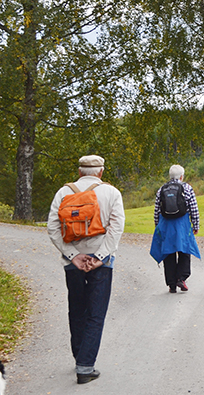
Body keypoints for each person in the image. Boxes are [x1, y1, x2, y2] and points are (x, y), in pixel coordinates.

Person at [47, 155, 125, 384]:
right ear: (100, 172)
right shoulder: (111, 193)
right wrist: (100, 256)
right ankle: (85, 366)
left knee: (77, 308)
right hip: (101, 262)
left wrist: (73, 255)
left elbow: (53, 227)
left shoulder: (63, 192)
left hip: (73, 263)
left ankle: (79, 356)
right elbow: (116, 227)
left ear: (80, 172)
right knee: (95, 313)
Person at [150, 164, 200, 293]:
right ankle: (181, 278)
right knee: (184, 250)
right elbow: (193, 208)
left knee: (168, 252)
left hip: (166, 224)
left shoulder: (161, 189)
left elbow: (157, 210)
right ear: (182, 176)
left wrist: (158, 226)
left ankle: (171, 284)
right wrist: (196, 224)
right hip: (182, 224)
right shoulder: (187, 188)